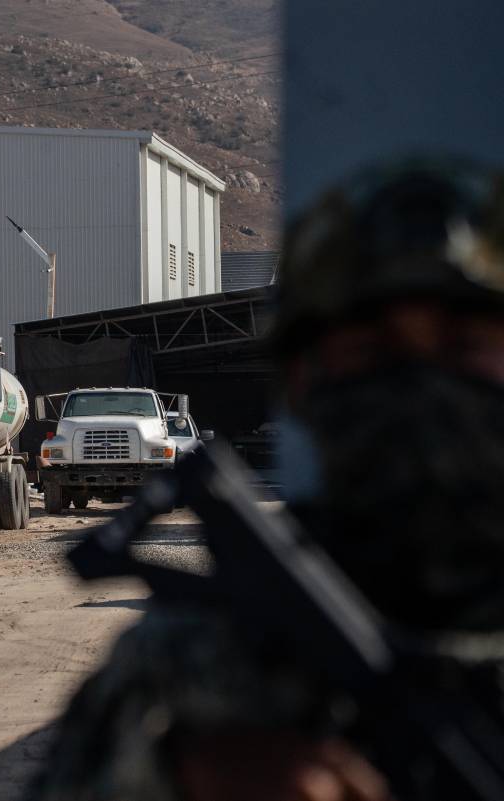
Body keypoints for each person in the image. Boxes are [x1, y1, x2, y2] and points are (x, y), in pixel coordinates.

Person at [29, 160, 504, 801]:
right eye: (371, 351)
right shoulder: (185, 665)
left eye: (463, 344)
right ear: (302, 381)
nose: (422, 386)